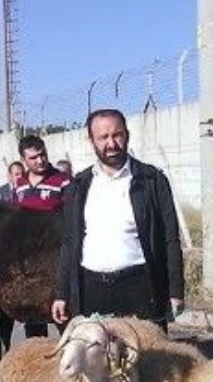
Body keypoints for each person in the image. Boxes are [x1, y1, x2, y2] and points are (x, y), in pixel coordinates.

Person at [51, 109, 184, 330]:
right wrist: (62, 293)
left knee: (148, 360)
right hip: (91, 289)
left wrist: (175, 291)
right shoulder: (79, 185)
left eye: (117, 135)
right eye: (103, 137)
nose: (111, 143)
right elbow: (69, 242)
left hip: (139, 285)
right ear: (91, 140)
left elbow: (170, 238)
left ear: (127, 135)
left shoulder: (151, 180)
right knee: (95, 362)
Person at [14, 135, 70, 211]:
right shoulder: (19, 184)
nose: (40, 161)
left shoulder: (64, 181)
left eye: (42, 155)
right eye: (33, 158)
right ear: (23, 160)